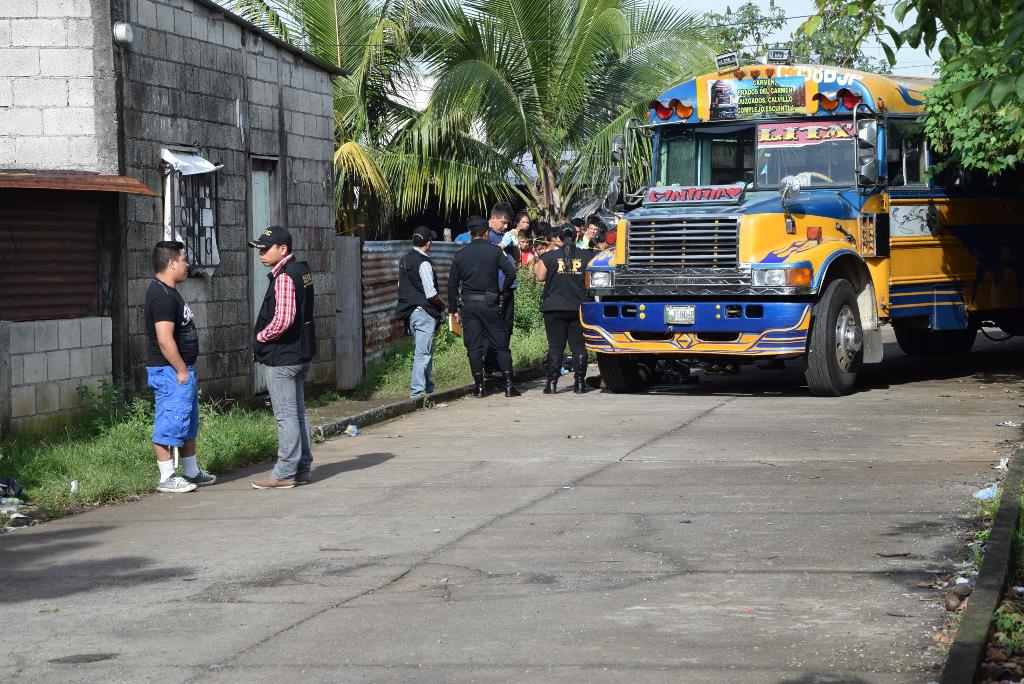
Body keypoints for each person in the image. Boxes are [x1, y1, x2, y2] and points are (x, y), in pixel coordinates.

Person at [144, 240, 216, 493]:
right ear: (171, 263)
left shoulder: (170, 291)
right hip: (170, 372)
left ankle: (192, 472)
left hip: (180, 370)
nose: (187, 265)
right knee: (169, 422)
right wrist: (181, 370)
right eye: (184, 260)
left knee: (187, 422)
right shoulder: (161, 296)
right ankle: (166, 477)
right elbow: (164, 339)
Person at [248, 225, 316, 489]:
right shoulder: (302, 271)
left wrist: (261, 337)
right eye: (260, 249)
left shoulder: (285, 277)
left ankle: (285, 472)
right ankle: (302, 468)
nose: (261, 254)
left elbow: (284, 319)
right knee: (298, 413)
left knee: (286, 416)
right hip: (300, 352)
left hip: (283, 357)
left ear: (283, 249)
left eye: (266, 249)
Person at [448, 217, 521, 398]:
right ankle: (509, 386)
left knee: (474, 347)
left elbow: (452, 285)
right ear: (486, 233)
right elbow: (511, 272)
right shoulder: (495, 252)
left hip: (469, 306)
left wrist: (453, 310)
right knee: (501, 344)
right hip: (490, 302)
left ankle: (479, 387)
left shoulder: (460, 255)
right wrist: (502, 291)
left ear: (470, 233)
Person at [534, 224, 596, 394]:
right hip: (579, 307)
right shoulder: (588, 256)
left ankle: (552, 384)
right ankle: (580, 384)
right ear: (576, 238)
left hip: (554, 307)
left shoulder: (550, 256)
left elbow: (539, 276)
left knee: (555, 346)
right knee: (578, 346)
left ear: (559, 238)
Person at [396, 226, 445, 399]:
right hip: (424, 312)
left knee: (425, 351)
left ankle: (428, 388)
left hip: (410, 313)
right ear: (429, 243)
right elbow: (431, 293)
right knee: (423, 353)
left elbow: (401, 287)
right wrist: (442, 304)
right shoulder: (424, 263)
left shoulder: (404, 259)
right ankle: (417, 393)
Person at [484, 202, 519, 375]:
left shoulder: (504, 235)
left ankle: (500, 363)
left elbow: (516, 257)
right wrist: (504, 244)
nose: (505, 226)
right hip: (495, 287)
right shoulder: (486, 235)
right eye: (503, 222)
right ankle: (490, 364)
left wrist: (515, 243)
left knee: (507, 327)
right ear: (493, 218)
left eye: (507, 224)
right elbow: (489, 256)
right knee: (494, 328)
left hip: (509, 287)